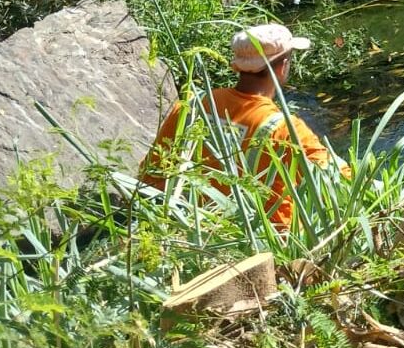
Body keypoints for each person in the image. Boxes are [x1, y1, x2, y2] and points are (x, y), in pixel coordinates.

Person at [140, 23, 342, 228]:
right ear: (283, 67)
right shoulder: (286, 129)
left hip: (187, 224)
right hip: (267, 243)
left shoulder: (192, 105)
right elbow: (339, 181)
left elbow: (151, 172)